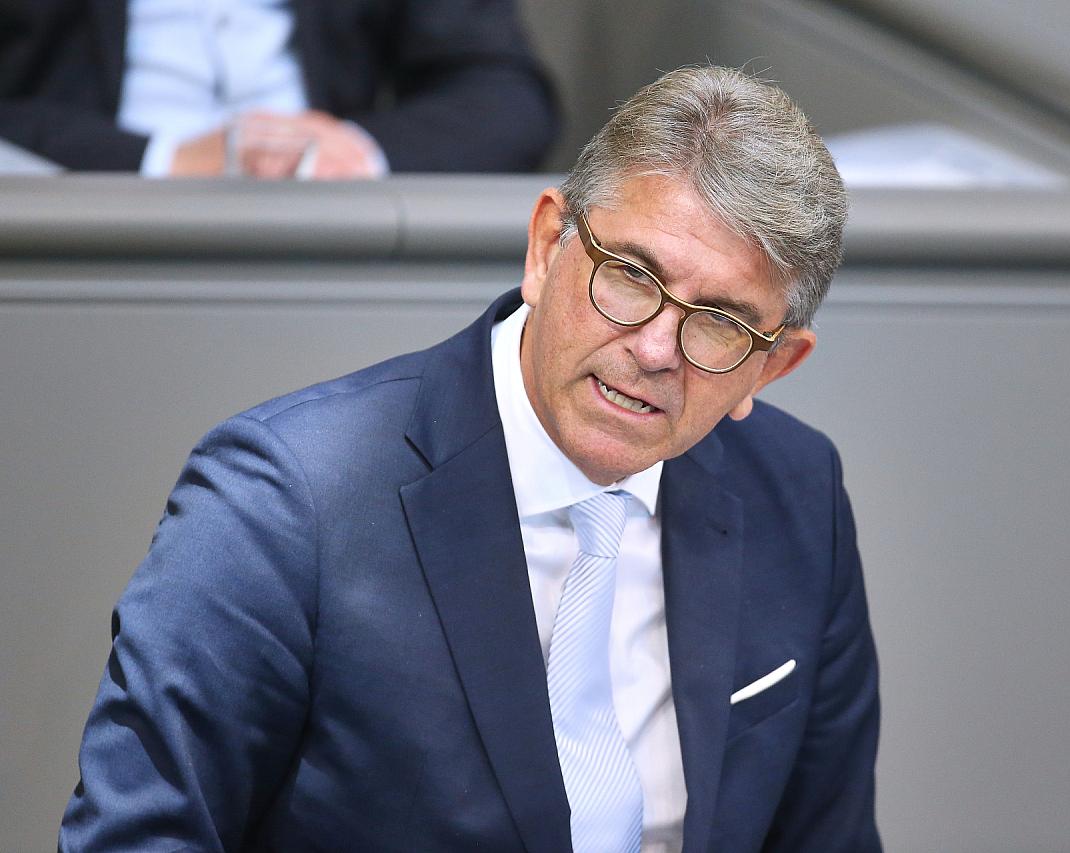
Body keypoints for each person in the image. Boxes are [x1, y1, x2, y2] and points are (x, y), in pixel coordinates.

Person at [59, 66, 881, 851]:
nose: (657, 349)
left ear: (772, 366)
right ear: (546, 246)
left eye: (719, 324)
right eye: (632, 276)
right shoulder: (283, 500)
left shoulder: (798, 495)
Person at [0, 0, 557, 177]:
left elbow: (505, 99)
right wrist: (162, 159)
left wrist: (351, 150)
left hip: (324, 223)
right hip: (74, 217)